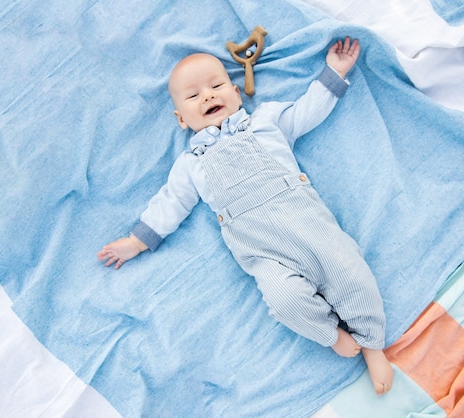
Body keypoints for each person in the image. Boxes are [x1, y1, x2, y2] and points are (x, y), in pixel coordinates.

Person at [97, 37, 394, 395]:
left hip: (311, 227)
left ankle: (373, 345)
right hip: (264, 254)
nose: (207, 96)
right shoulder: (191, 166)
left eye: (216, 86)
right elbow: (170, 202)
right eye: (193, 96)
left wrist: (335, 72)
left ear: (237, 94)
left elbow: (306, 111)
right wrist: (136, 242)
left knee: (351, 273)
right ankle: (331, 335)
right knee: (284, 301)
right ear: (181, 118)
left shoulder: (266, 121)